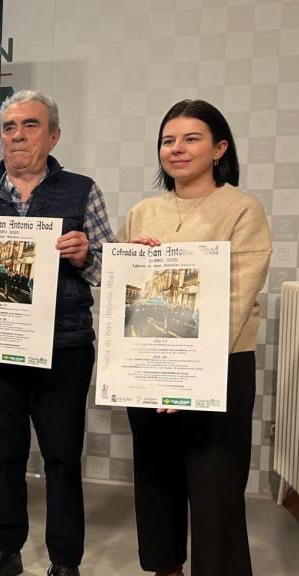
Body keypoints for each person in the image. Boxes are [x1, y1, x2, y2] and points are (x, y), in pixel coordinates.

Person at [0, 90, 114, 576]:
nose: (17, 136)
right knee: (4, 455)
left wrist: (86, 255)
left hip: (64, 345)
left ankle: (65, 560)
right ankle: (6, 546)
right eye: (9, 127)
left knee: (62, 457)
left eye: (30, 125)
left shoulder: (82, 190)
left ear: (53, 136)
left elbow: (110, 270)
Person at [119, 100, 271, 576]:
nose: (177, 149)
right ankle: (165, 569)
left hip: (219, 367)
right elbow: (121, 289)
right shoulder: (142, 211)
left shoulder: (242, 209)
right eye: (168, 140)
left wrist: (189, 376)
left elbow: (237, 296)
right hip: (148, 364)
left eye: (191, 139)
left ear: (219, 148)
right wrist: (127, 258)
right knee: (156, 478)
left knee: (215, 487)